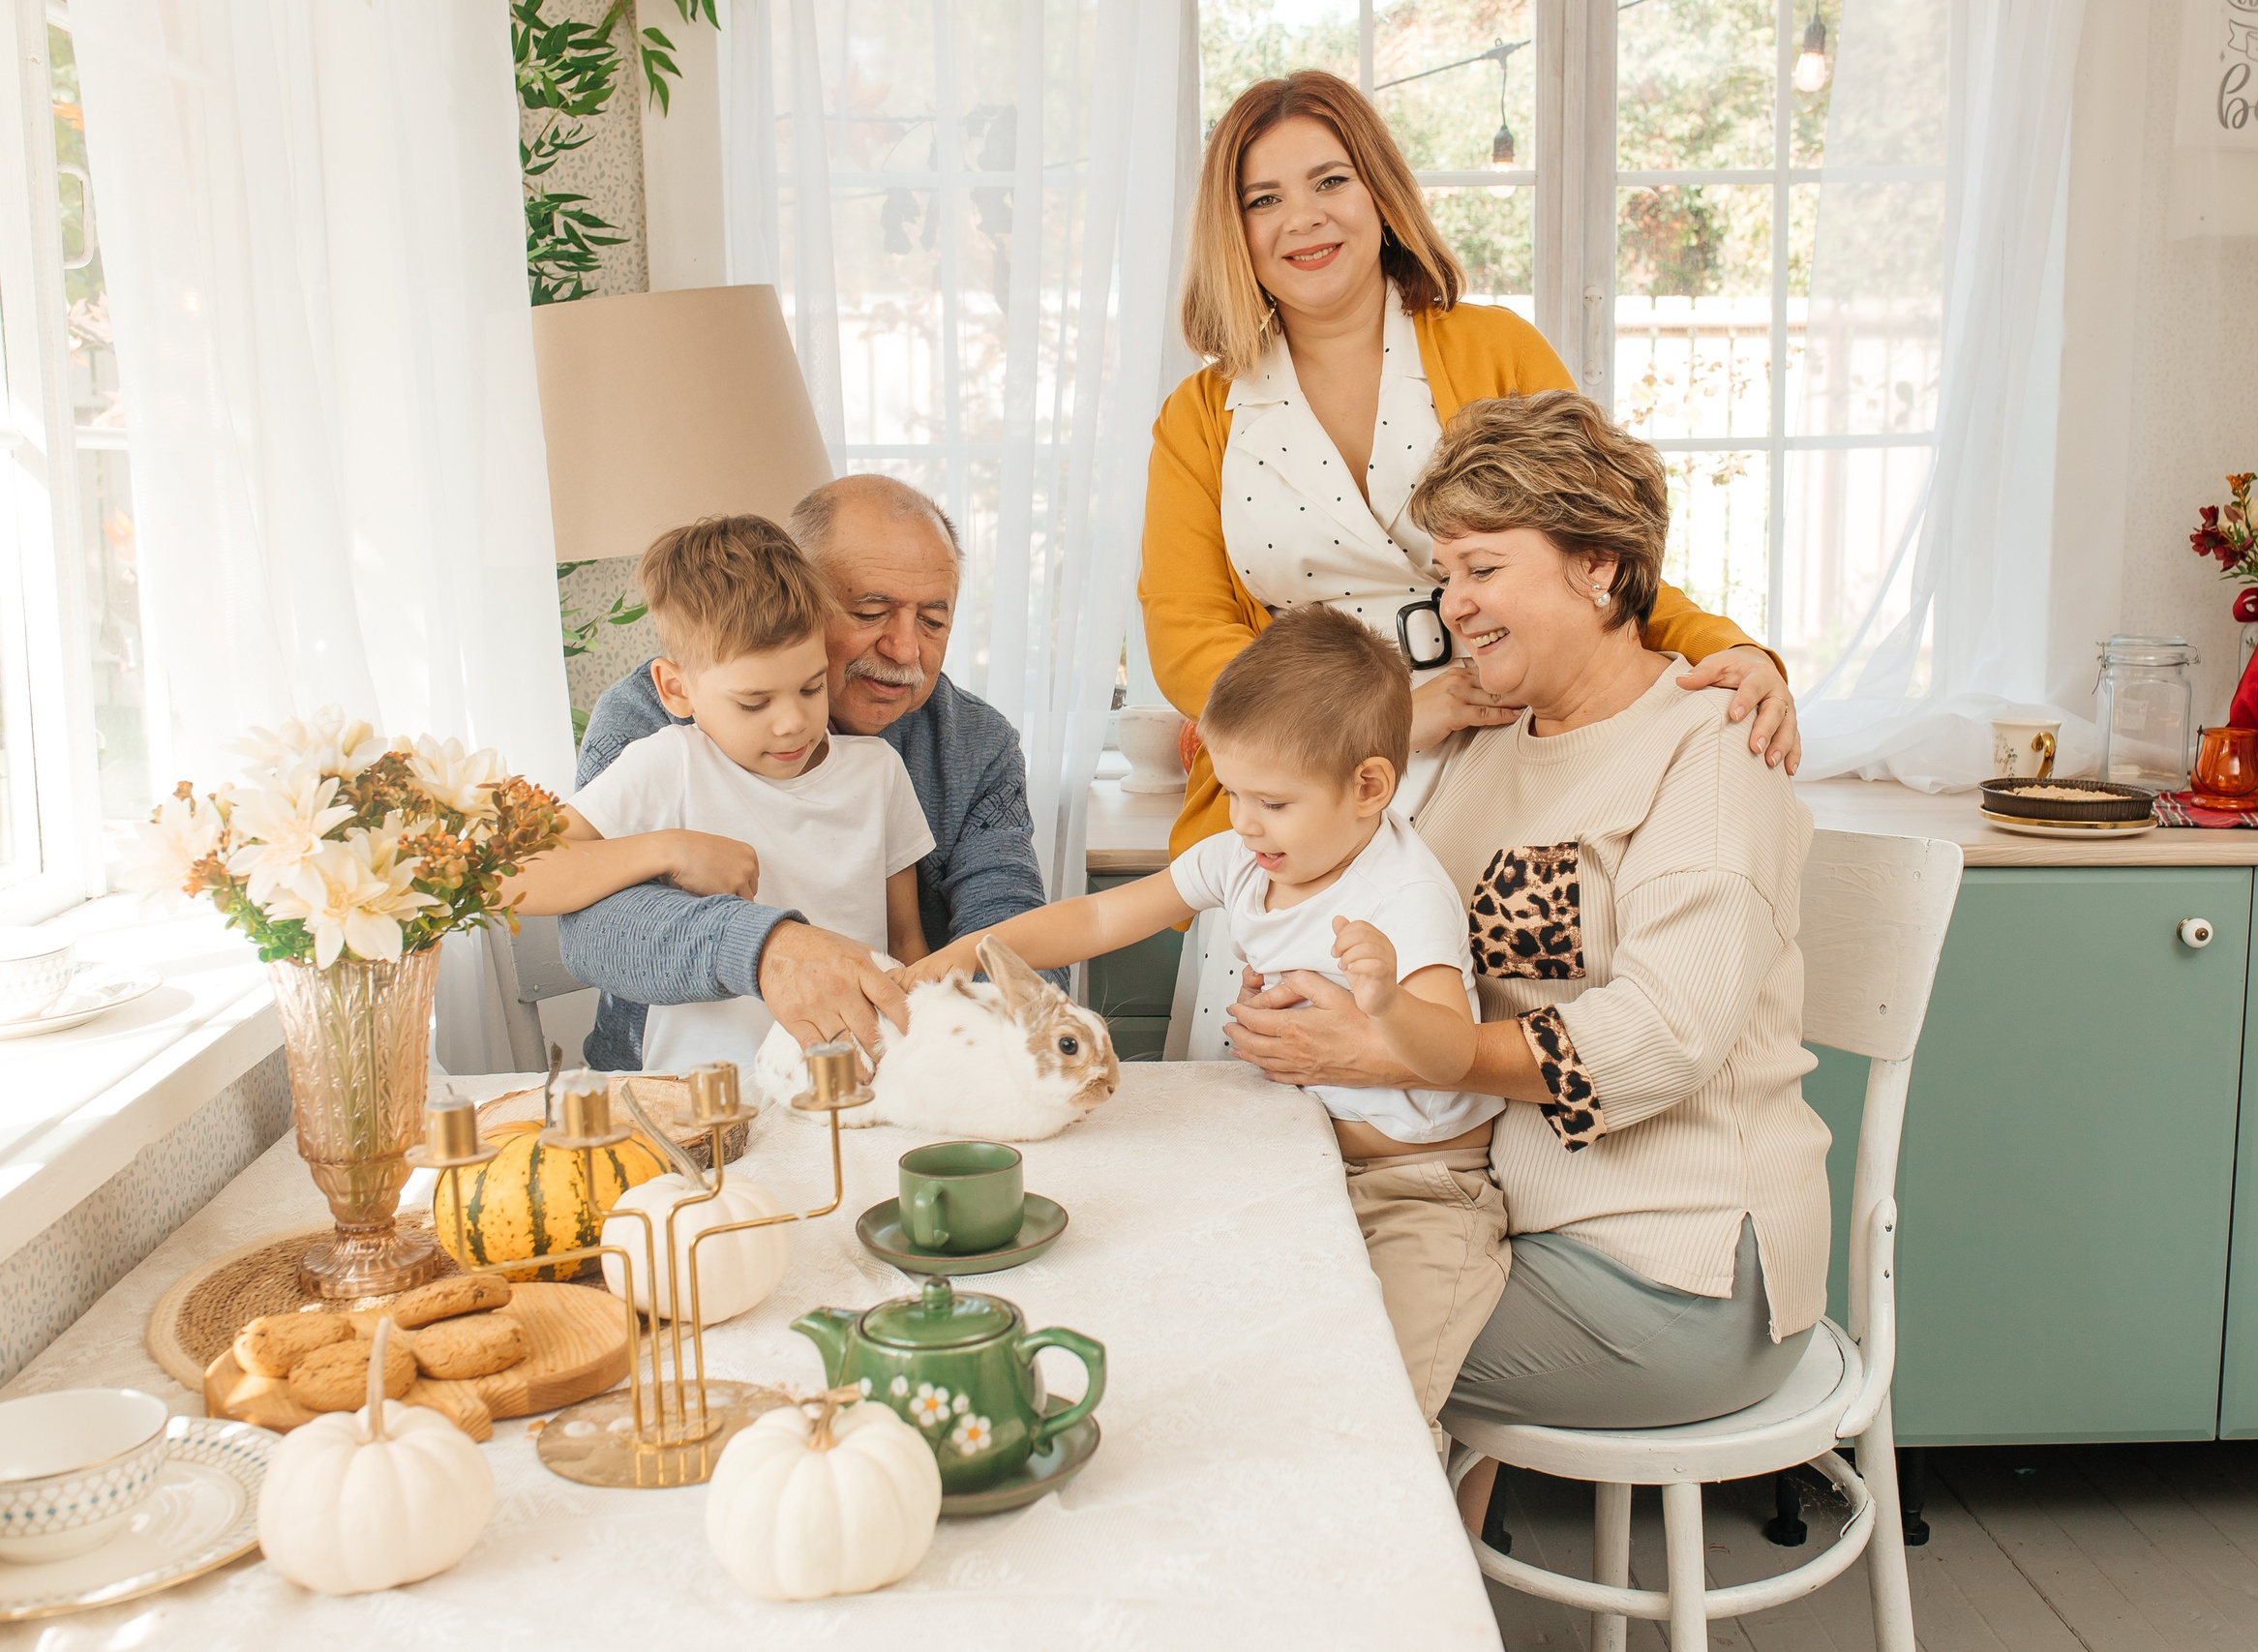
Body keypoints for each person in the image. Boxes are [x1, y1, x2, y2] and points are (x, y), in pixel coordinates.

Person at [1221, 390, 1828, 1528]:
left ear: (1598, 568)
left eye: (1481, 569)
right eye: (1445, 574)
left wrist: (1407, 1052)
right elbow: (1343, 832)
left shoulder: (1711, 751)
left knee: (1291, 1320)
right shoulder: (1489, 740)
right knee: (1256, 1260)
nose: (1453, 604)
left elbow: (1662, 1038)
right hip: (1512, 1221)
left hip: (1672, 1271)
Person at [1141, 69, 1799, 863]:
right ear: (1233, 229)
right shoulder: (1198, 415)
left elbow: (1600, 553)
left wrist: (1731, 651)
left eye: (1331, 181)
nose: (1303, 218)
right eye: (1263, 199)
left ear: (1379, 194)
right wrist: (1370, 725)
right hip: (1302, 781)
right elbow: (1186, 636)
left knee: (1498, 987)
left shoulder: (1498, 348)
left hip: (1510, 740)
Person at [908, 606, 1506, 1424]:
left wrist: (1389, 1003)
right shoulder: (1247, 857)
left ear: (1369, 786)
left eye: (1272, 801)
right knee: (1245, 1341)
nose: (1244, 821)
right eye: (1231, 792)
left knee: (1380, 1407)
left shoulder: (1402, 896)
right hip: (1308, 1155)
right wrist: (970, 949)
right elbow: (1098, 921)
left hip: (1420, 1191)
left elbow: (1451, 1055)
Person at [557, 474, 1057, 1071]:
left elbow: (1008, 923)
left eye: (932, 620)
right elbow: (590, 928)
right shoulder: (653, 719)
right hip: (666, 1086)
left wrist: (1004, 1042)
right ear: (798, 602)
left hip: (870, 1077)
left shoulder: (974, 742)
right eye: (871, 610)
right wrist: (765, 947)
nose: (905, 650)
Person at [518, 515, 932, 1072]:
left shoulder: (879, 772)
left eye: (811, 687)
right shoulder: (668, 764)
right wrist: (668, 850)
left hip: (856, 1086)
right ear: (676, 688)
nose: (792, 724)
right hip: (702, 1095)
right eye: (754, 703)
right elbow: (517, 873)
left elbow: (907, 941)